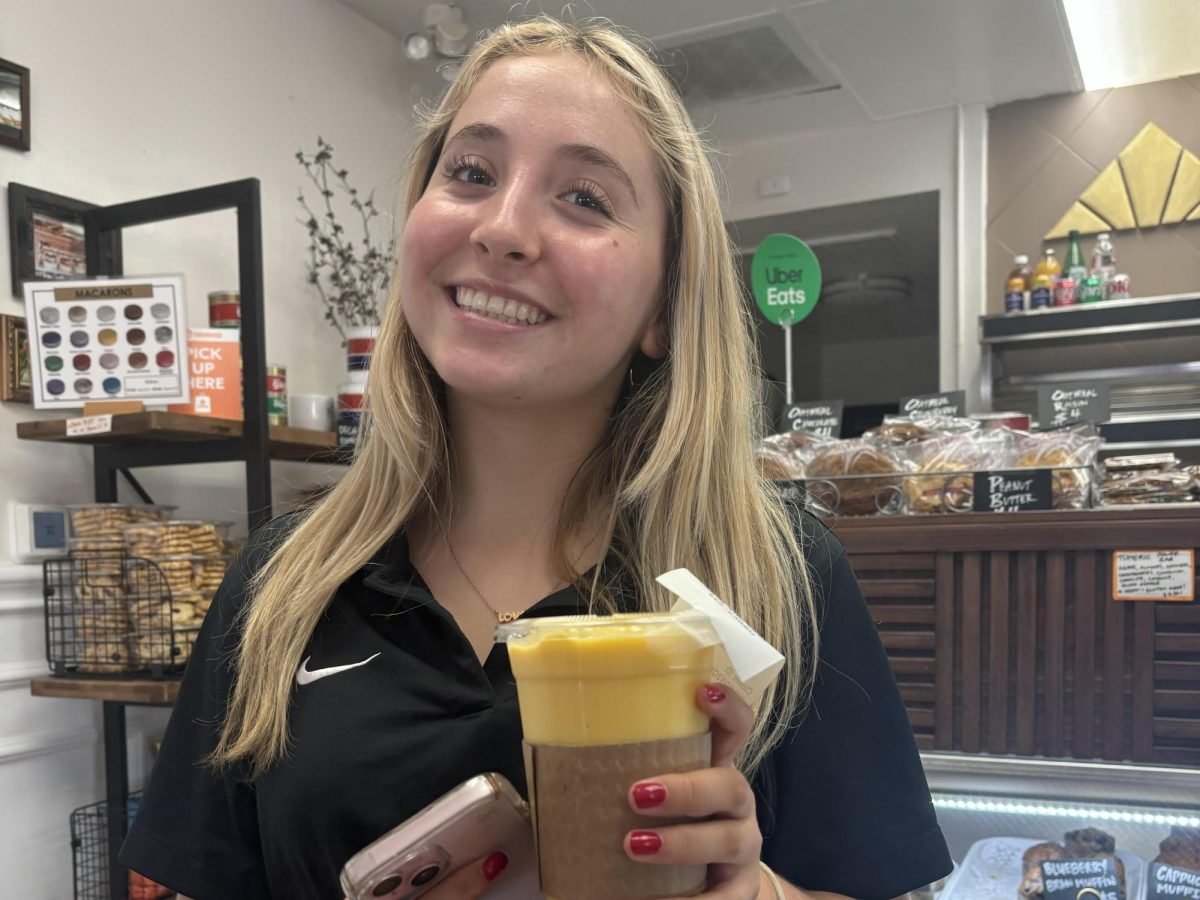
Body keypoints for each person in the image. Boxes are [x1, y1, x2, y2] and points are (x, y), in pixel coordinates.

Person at [120, 16, 951, 900]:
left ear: (664, 309)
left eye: (586, 198)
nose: (504, 228)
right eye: (471, 173)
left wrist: (754, 894)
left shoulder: (780, 574)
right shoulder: (278, 588)